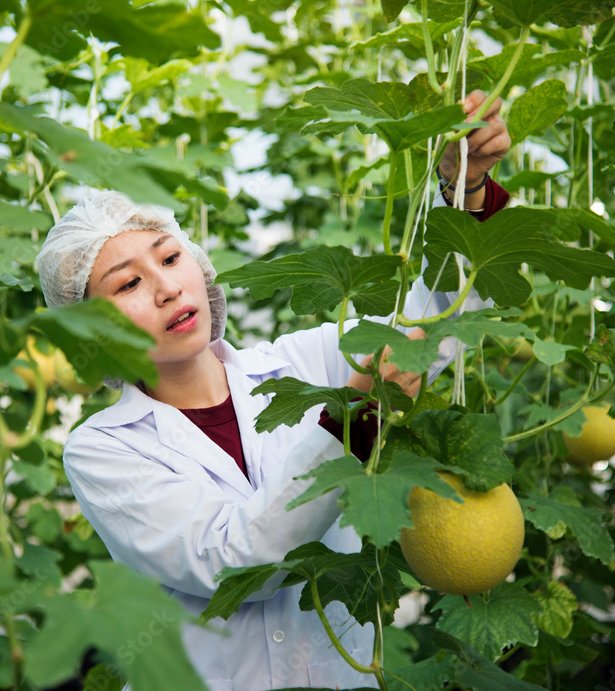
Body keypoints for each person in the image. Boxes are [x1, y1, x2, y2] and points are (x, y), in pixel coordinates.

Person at [36, 91, 511, 690]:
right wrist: (357, 414)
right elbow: (233, 564)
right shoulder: (101, 449)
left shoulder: (303, 361)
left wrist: (462, 189)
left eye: (171, 256)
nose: (165, 288)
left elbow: (439, 317)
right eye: (127, 283)